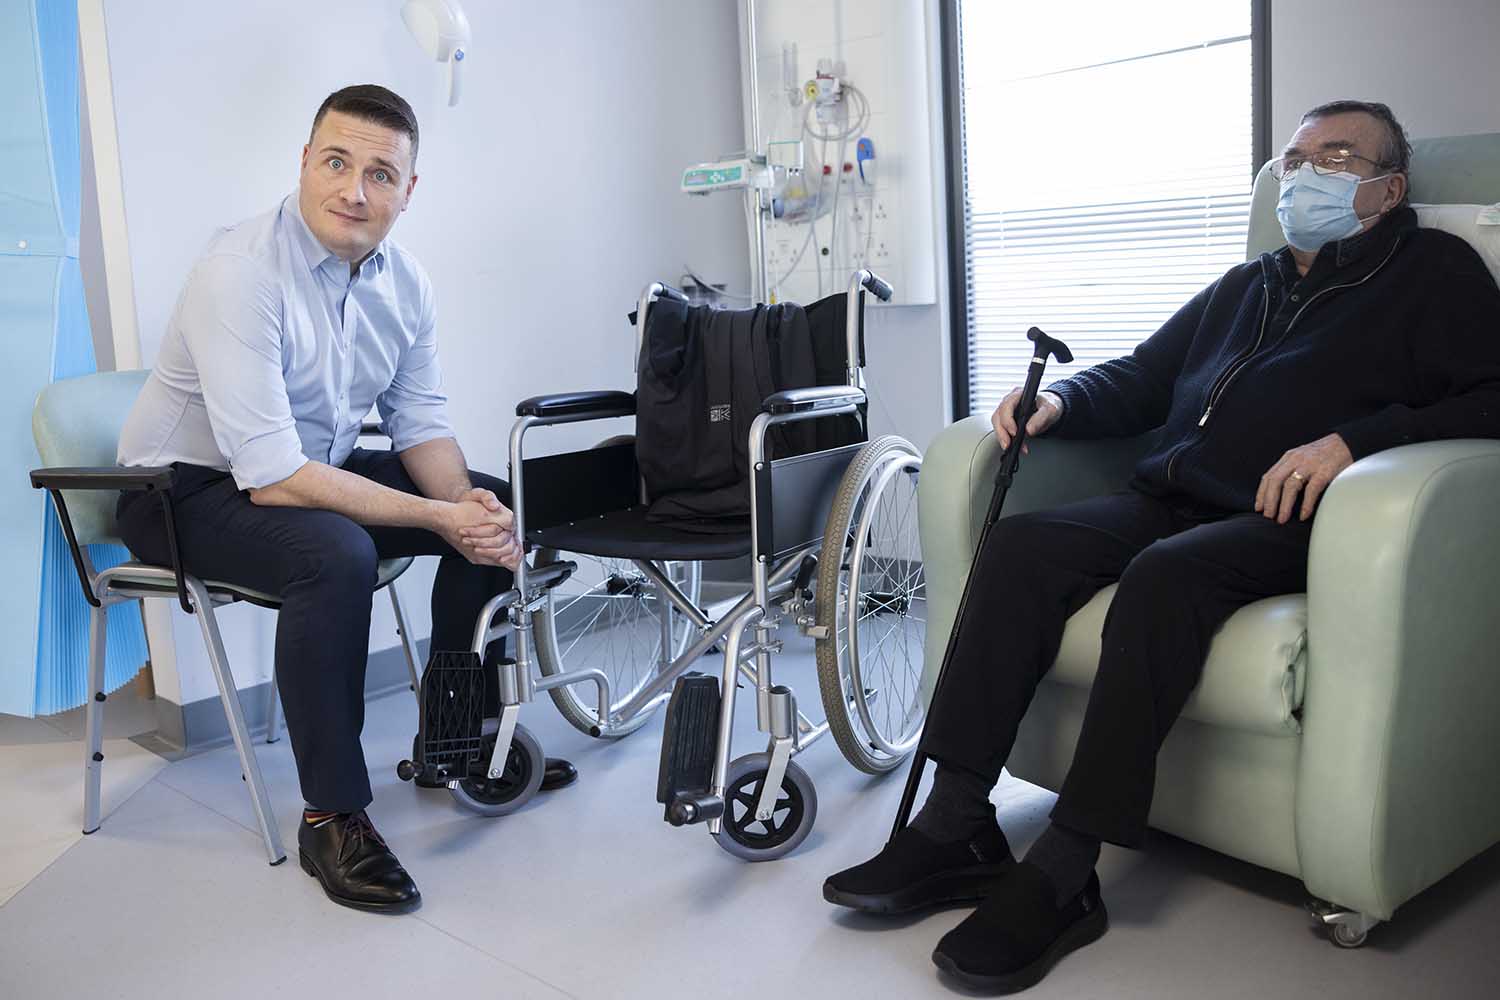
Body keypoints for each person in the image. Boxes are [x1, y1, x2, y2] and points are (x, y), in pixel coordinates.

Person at [823, 99, 1500, 993]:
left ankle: (1066, 871)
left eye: (1335, 156)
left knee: (1161, 580)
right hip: (1170, 494)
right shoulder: (1248, 283)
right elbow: (1143, 375)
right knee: (1024, 549)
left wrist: (1354, 443)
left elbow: (1489, 397)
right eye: (1294, 159)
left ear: (1389, 185)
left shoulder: (1433, 273)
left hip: (1291, 519)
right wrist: (1060, 403)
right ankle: (957, 825)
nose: (1305, 175)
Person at [115, 84, 573, 914]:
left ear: (408, 190)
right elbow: (270, 473)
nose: (353, 190)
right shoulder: (239, 273)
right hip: (178, 490)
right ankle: (333, 815)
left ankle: (456, 741)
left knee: (495, 504)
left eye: (379, 173)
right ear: (303, 162)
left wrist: (464, 507)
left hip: (301, 465)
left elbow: (419, 423)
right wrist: (435, 518)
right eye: (335, 162)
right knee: (337, 552)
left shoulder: (407, 284)